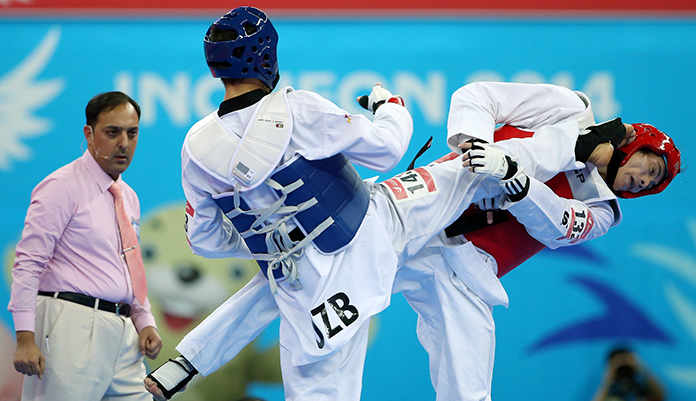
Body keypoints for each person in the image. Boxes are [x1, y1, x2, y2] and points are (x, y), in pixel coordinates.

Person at [144, 7, 536, 401]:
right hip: (372, 232)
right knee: (465, 170)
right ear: (266, 55)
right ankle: (571, 149)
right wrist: (391, 107)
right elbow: (386, 150)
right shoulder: (299, 109)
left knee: (315, 383)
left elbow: (204, 241)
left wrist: (273, 238)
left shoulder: (196, 147)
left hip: (302, 286)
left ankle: (188, 362)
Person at [393, 81, 680, 401]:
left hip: (464, 273)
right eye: (650, 168)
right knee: (336, 289)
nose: (643, 181)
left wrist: (513, 178)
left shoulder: (603, 212)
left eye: (651, 184)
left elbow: (555, 224)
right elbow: (477, 96)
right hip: (425, 204)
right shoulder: (573, 112)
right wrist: (476, 150)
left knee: (469, 393)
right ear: (637, 143)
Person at [9, 91, 163, 401]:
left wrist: (144, 320)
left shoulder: (128, 196)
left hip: (123, 333)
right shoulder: (61, 186)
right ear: (89, 134)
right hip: (70, 324)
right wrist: (25, 337)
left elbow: (126, 267)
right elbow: (28, 263)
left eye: (132, 133)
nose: (124, 142)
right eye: (113, 132)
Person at [591, 347, 665, 401]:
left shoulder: (641, 386)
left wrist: (643, 369)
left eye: (626, 359)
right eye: (617, 361)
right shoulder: (610, 391)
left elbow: (660, 395)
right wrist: (608, 380)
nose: (623, 365)